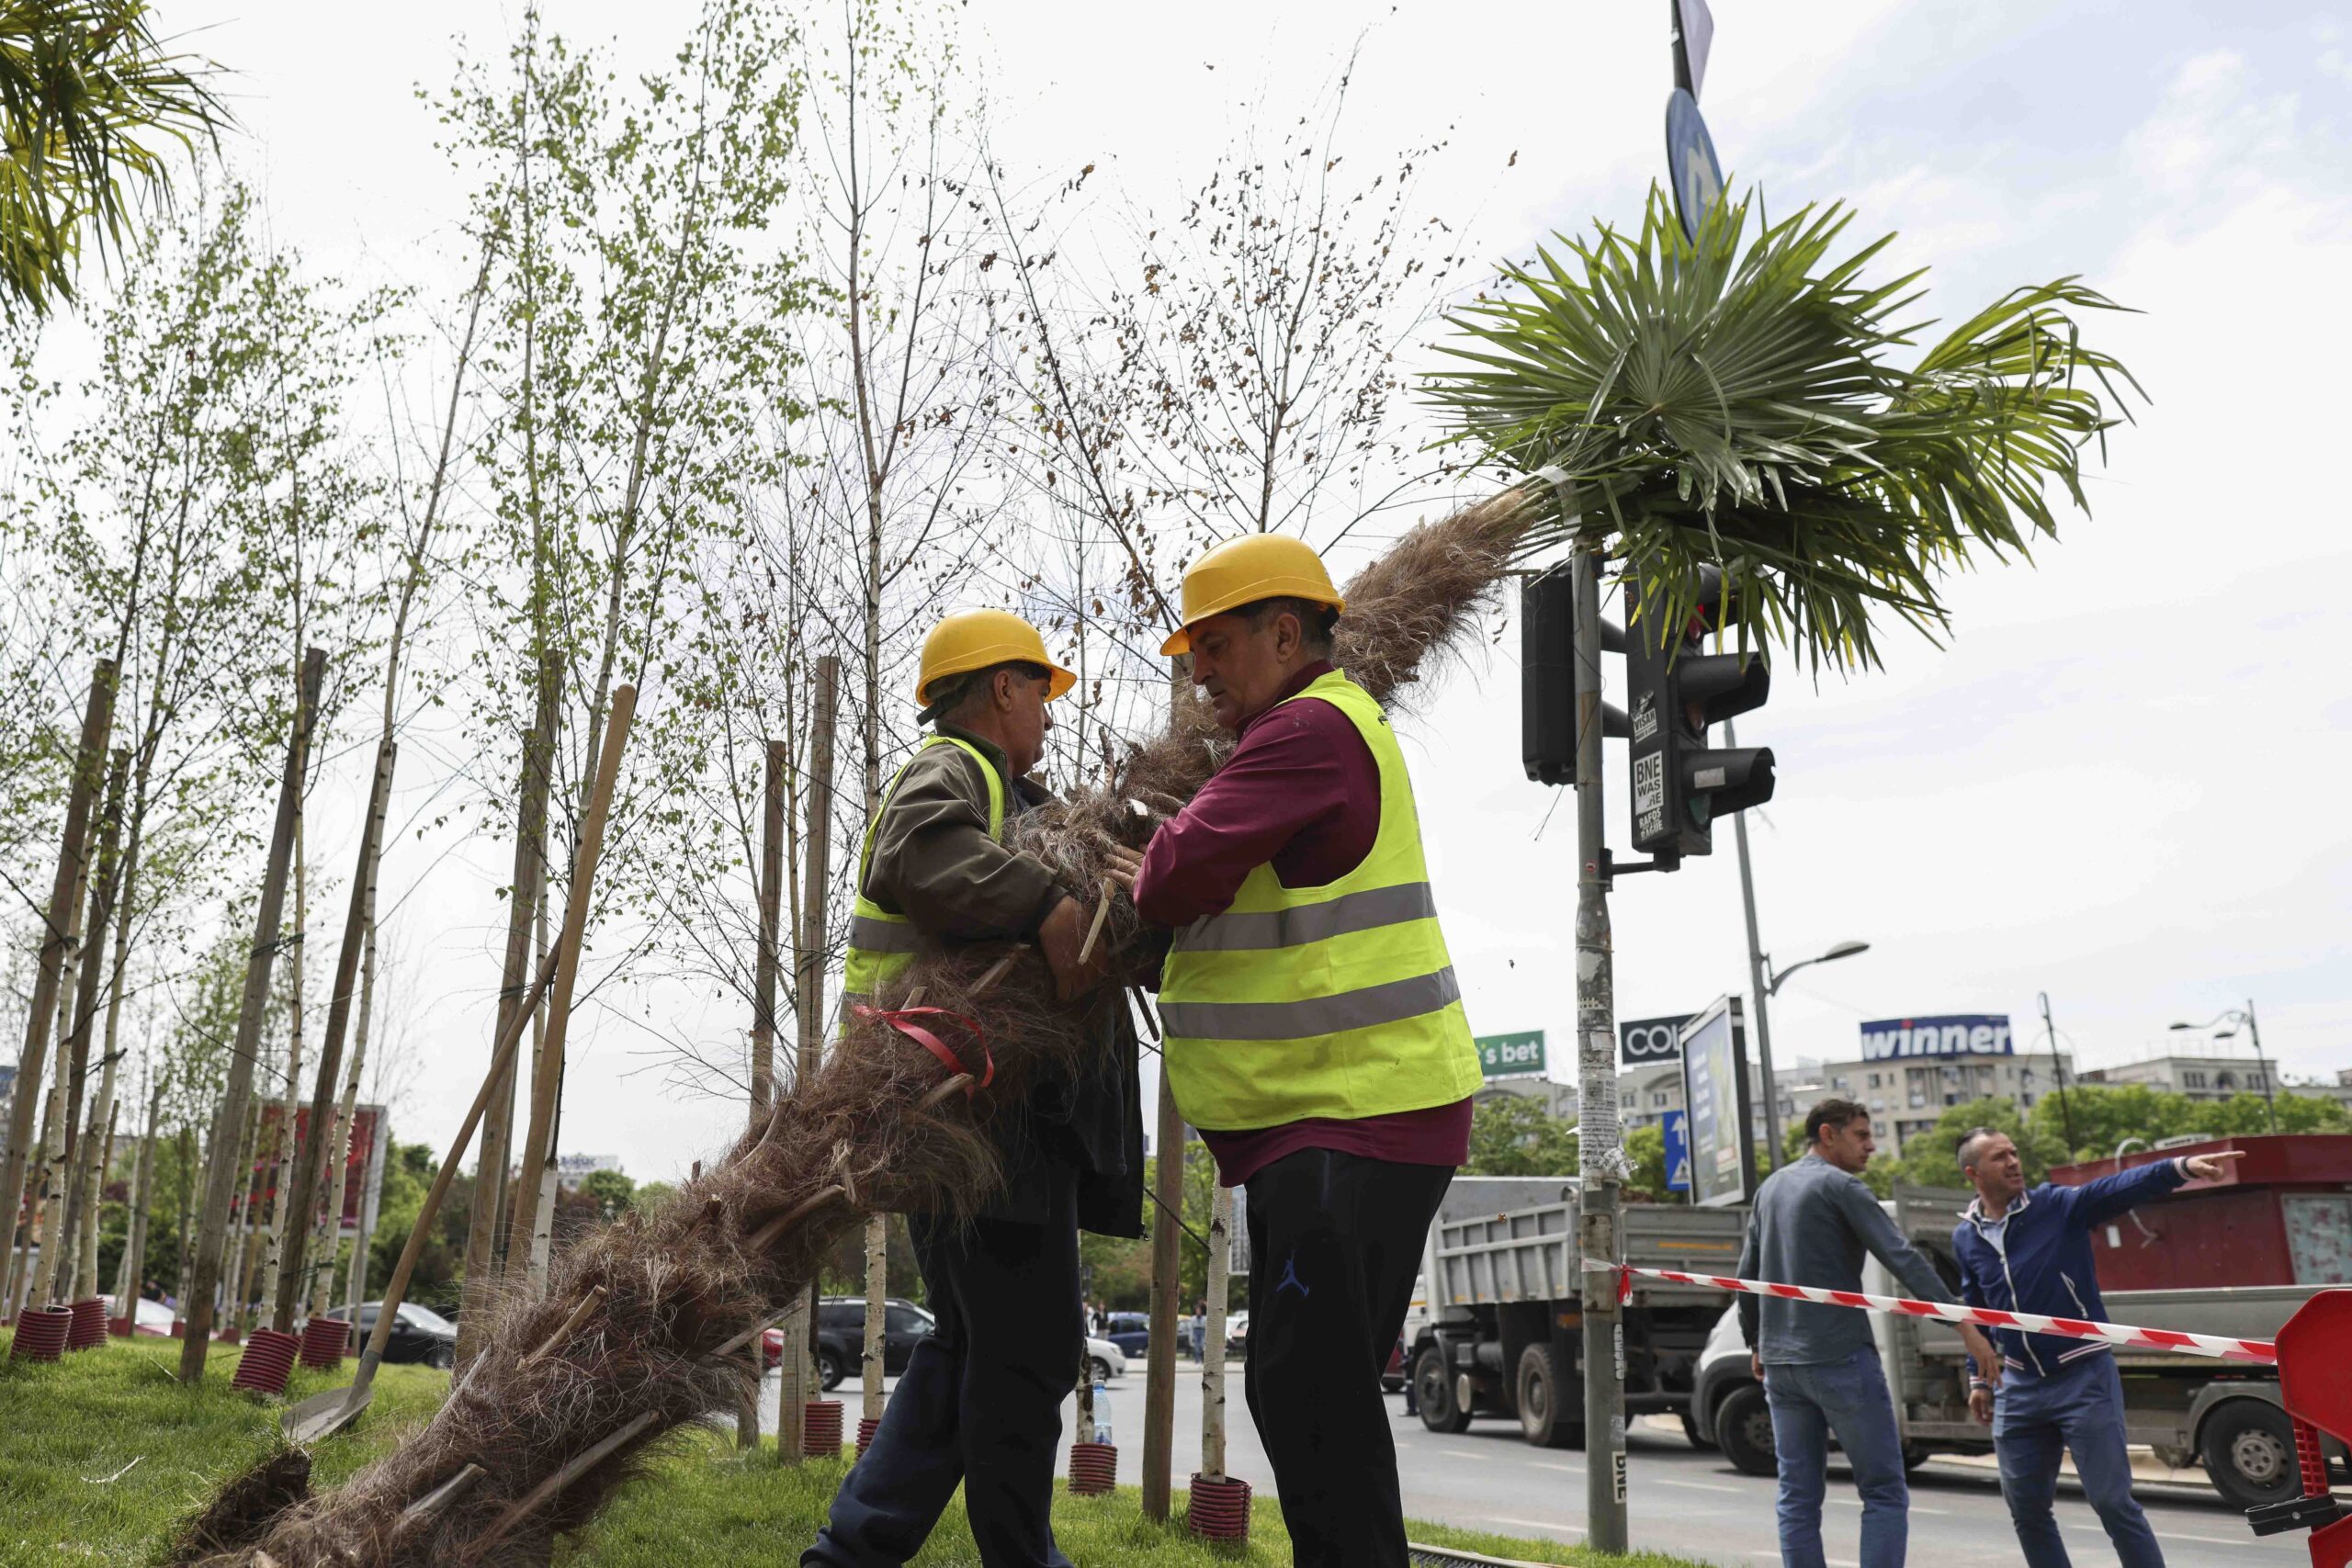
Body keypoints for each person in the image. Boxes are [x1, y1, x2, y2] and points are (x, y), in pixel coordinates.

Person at [1129, 534, 1483, 1568]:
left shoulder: (1303, 734)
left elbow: (1172, 874)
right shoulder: (1322, 730)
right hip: (1341, 1120)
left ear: (1285, 634)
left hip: (1351, 1116)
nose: (1197, 671)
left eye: (1214, 645)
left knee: (1308, 1395)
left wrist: (1152, 851)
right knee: (1305, 1390)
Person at [804, 610, 1146, 1568]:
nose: (1047, 708)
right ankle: (1009, 1556)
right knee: (1020, 1355)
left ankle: (856, 1552)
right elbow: (912, 855)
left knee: (972, 1352)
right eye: (1039, 687)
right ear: (1001, 686)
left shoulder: (1003, 789)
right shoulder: (951, 769)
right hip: (973, 1116)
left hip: (971, 1117)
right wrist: (1046, 903)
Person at [1952, 1130, 2244, 1568]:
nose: (2014, 1162)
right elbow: (1975, 1309)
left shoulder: (2055, 1207)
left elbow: (2115, 1188)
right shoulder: (1966, 1236)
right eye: (2000, 1157)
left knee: (2112, 1503)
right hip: (2018, 1386)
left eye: (2014, 1153)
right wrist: (1979, 1378)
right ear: (1973, 1173)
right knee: (2027, 1511)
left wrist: (2179, 1168)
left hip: (2083, 1376)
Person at [1738, 1098, 1999, 1568]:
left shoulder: (1771, 1189)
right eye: (1861, 1135)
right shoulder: (1843, 1188)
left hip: (1782, 1364)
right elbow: (1901, 1257)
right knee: (1882, 1491)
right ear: (1827, 1135)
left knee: (1797, 1495)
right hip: (1839, 1358)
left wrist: (1756, 1341)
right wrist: (1966, 1325)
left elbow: (1747, 1274)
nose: (1872, 1146)